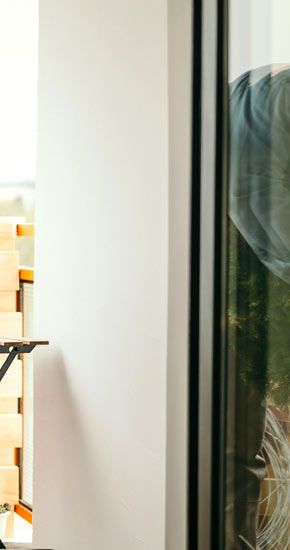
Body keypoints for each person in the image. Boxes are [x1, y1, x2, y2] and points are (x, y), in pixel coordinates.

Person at [226, 63, 290, 549]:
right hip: (235, 296)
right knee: (233, 457)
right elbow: (253, 194)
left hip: (252, 288)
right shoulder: (270, 97)